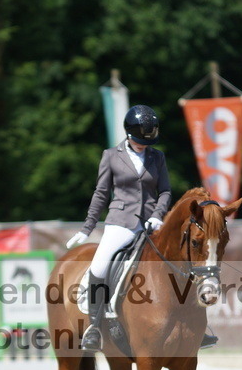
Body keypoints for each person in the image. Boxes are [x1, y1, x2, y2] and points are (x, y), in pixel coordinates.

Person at [66, 104, 172, 351]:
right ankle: (94, 327)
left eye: (147, 142)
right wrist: (87, 227)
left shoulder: (157, 157)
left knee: (180, 261)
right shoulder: (111, 156)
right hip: (121, 222)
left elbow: (165, 191)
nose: (143, 146)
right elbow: (101, 193)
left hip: (152, 223)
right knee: (99, 266)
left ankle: (193, 325)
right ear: (128, 133)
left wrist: (158, 215)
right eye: (139, 141)